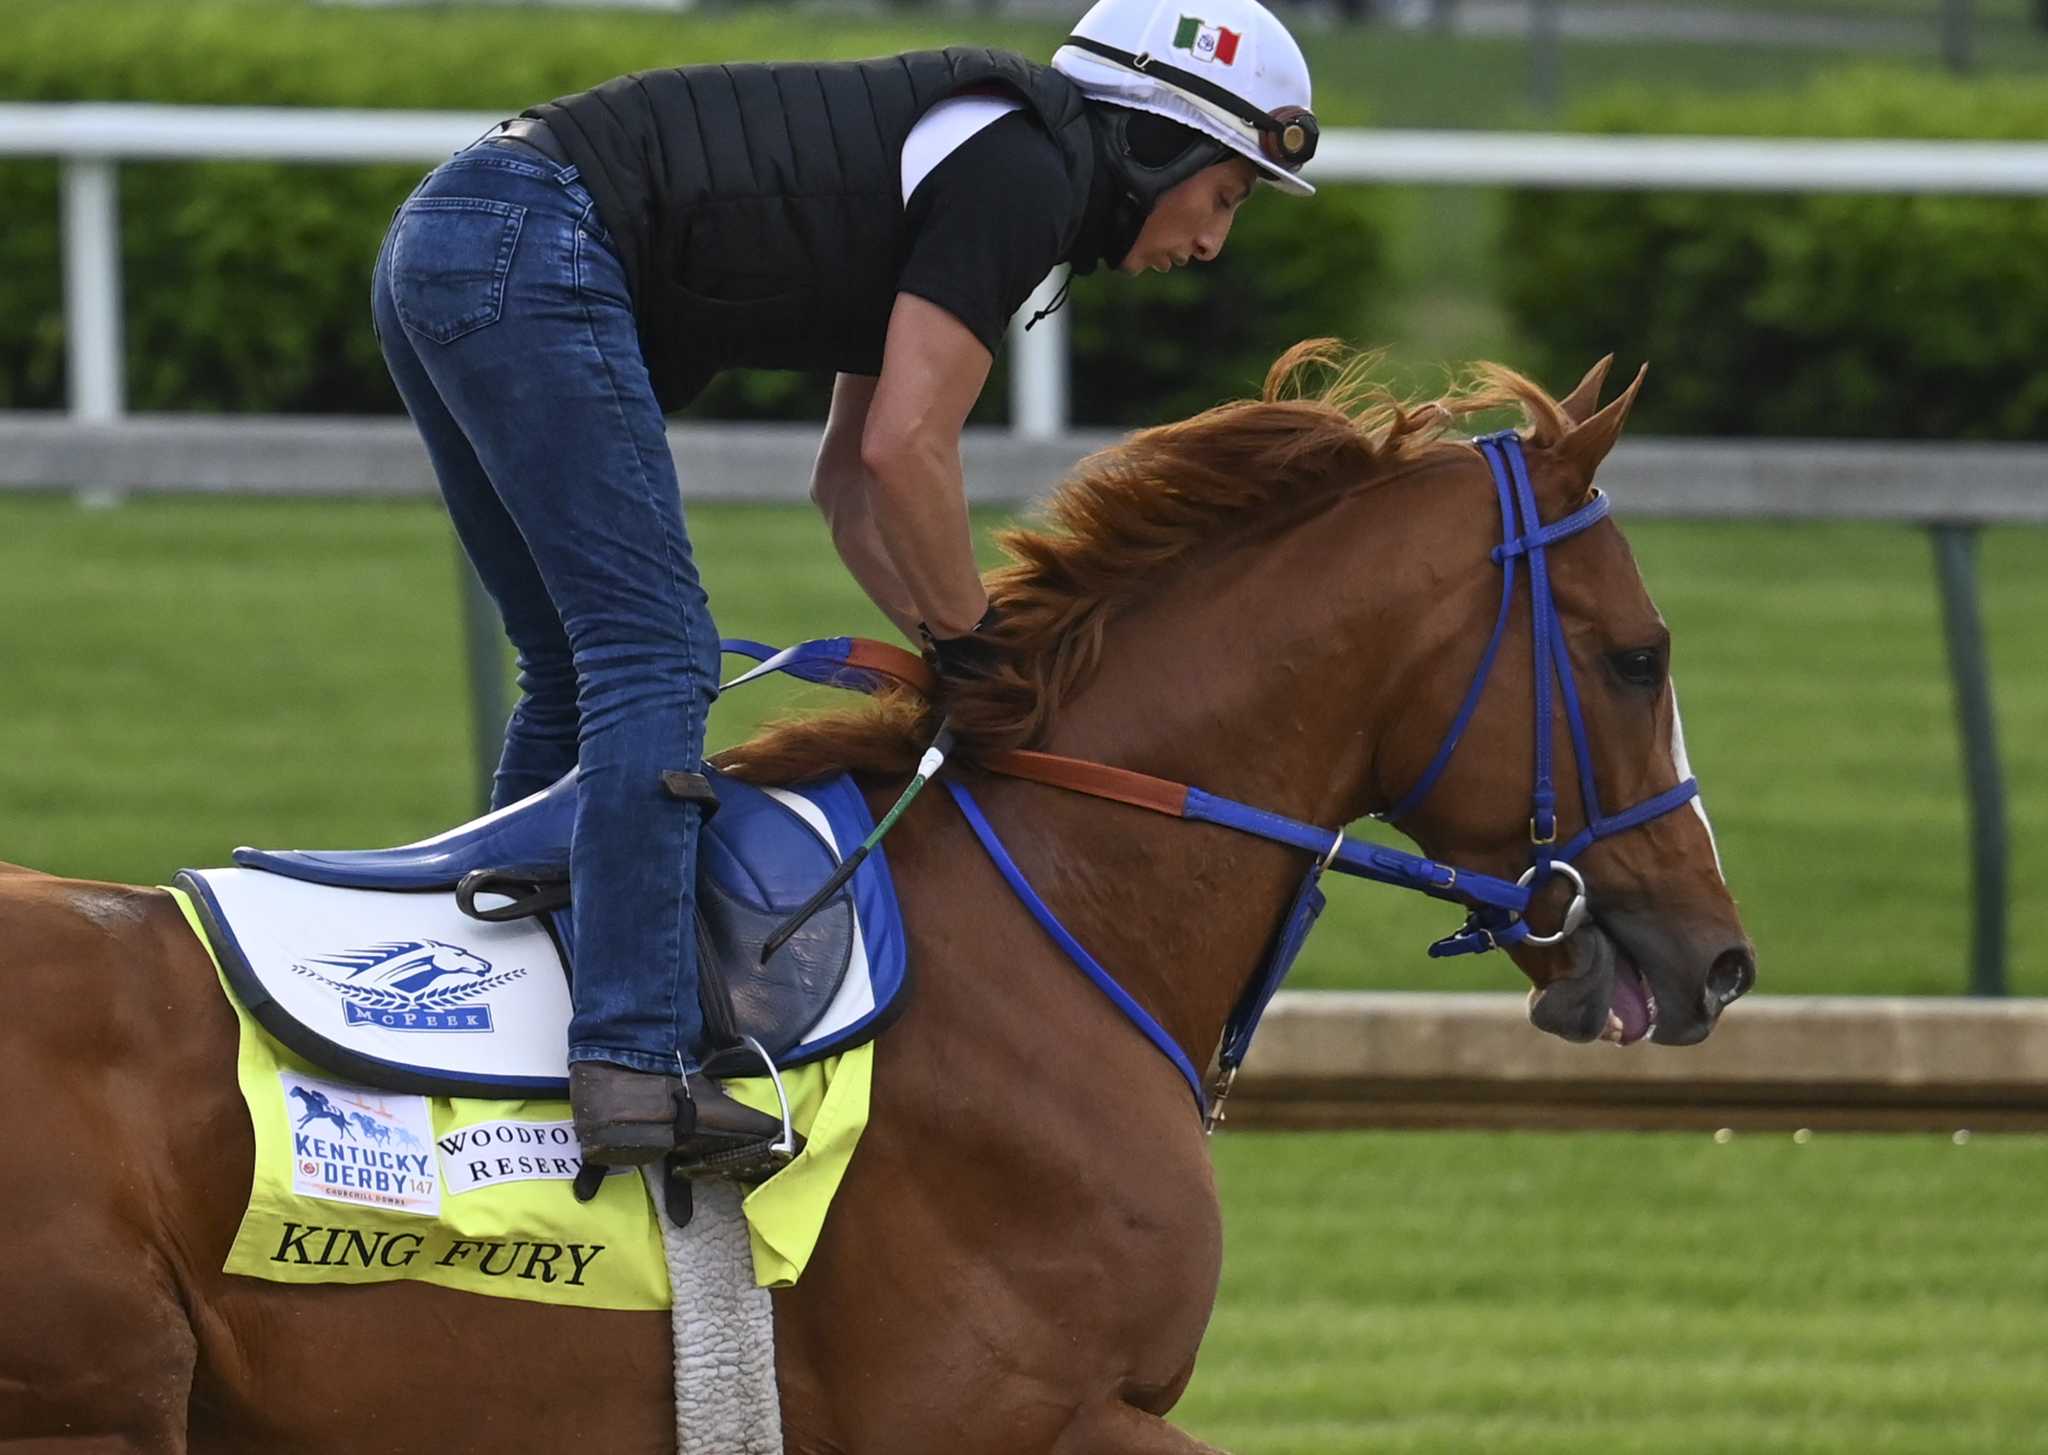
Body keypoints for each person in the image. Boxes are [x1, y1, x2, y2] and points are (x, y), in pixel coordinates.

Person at [368, 0, 1319, 1178]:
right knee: (654, 652)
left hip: (461, 229)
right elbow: (902, 455)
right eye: (1222, 195)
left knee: (577, 659)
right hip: (524, 238)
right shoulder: (1022, 170)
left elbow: (847, 486)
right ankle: (630, 1059)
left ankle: (492, 1004)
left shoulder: (992, 154)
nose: (1213, 239)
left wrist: (960, 651)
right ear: (1154, 141)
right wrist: (979, 652)